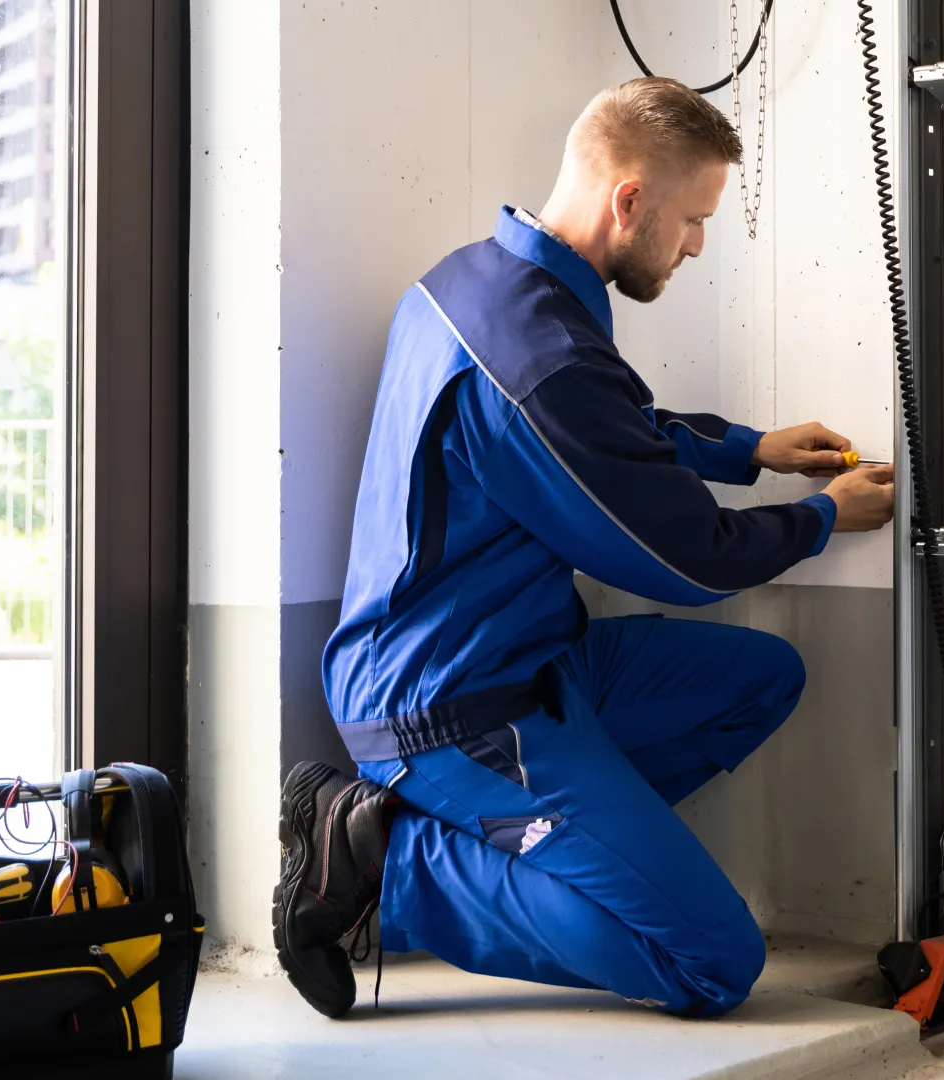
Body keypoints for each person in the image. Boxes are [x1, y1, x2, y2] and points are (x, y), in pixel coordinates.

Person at [271, 77, 897, 1020]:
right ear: (630, 201)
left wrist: (749, 450)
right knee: (713, 963)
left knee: (762, 678)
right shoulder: (535, 357)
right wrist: (819, 518)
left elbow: (611, 433)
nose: (695, 245)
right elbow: (691, 560)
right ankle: (388, 866)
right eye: (692, 219)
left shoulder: (476, 282)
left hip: (533, 661)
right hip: (450, 709)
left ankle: (553, 856)